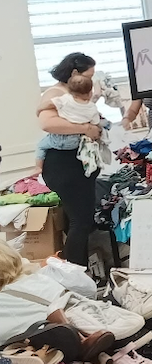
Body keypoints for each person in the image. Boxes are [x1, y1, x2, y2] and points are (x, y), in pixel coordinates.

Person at [36, 52, 101, 267]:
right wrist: (86, 129)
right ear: (75, 73)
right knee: (81, 221)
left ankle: (77, 268)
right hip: (65, 164)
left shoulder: (75, 93)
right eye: (89, 75)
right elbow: (47, 123)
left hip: (75, 163)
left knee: (78, 220)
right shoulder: (56, 94)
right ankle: (73, 271)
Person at [35, 75, 104, 174]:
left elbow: (49, 104)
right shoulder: (92, 107)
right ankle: (87, 164)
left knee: (41, 146)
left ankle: (38, 168)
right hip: (75, 142)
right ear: (90, 93)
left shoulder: (65, 99)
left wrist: (39, 110)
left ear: (70, 91)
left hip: (57, 139)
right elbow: (95, 123)